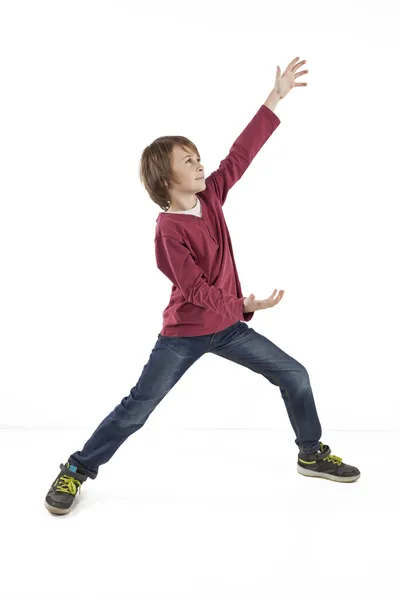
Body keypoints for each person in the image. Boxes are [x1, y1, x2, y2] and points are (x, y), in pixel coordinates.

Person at [45, 56, 360, 515]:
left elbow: (241, 153)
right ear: (165, 180)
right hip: (186, 333)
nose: (199, 164)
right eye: (187, 161)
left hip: (229, 326)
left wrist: (275, 96)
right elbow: (192, 289)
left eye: (197, 157)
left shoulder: (210, 196)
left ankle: (310, 453)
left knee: (295, 375)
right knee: (138, 407)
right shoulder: (169, 228)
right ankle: (75, 470)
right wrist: (242, 302)